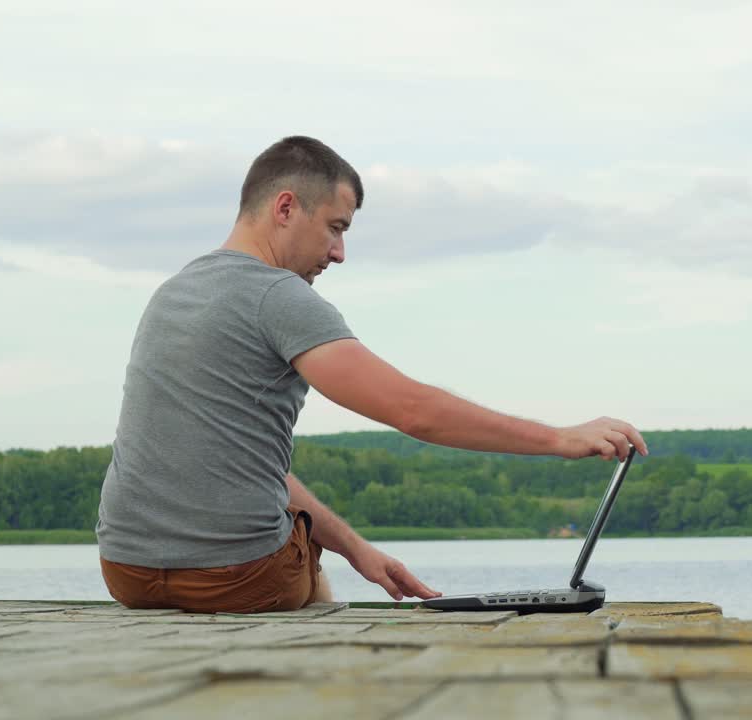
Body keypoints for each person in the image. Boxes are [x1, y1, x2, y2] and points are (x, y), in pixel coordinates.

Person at [96, 136, 648, 614]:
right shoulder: (278, 294)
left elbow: (237, 465)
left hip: (125, 571)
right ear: (285, 208)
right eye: (335, 228)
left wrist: (356, 547)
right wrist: (559, 437)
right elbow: (412, 411)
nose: (338, 253)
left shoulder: (172, 294)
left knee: (301, 548)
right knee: (307, 578)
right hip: (239, 574)